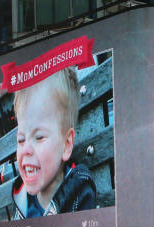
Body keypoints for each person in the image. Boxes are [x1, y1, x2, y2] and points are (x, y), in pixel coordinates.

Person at [11, 66, 96, 219]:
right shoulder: (21, 198)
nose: (26, 150)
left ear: (66, 145)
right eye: (21, 140)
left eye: (39, 137)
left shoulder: (79, 193)